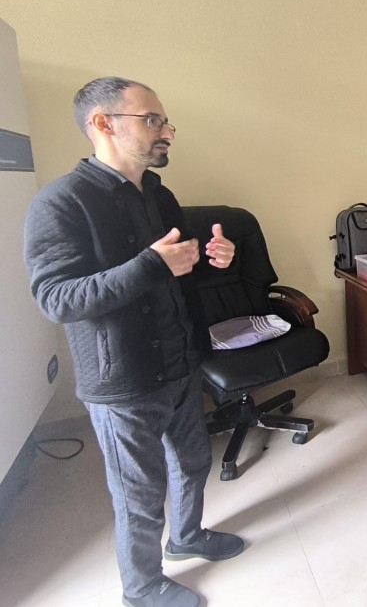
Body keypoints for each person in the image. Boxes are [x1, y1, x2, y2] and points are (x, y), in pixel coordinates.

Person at [23, 77, 244, 607]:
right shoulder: (60, 203)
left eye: (165, 122)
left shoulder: (159, 195)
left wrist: (212, 260)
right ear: (103, 123)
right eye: (152, 120)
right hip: (123, 381)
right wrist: (150, 263)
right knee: (139, 494)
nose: (166, 132)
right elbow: (56, 299)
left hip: (180, 361)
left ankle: (186, 536)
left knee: (193, 463)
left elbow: (176, 270)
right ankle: (141, 588)